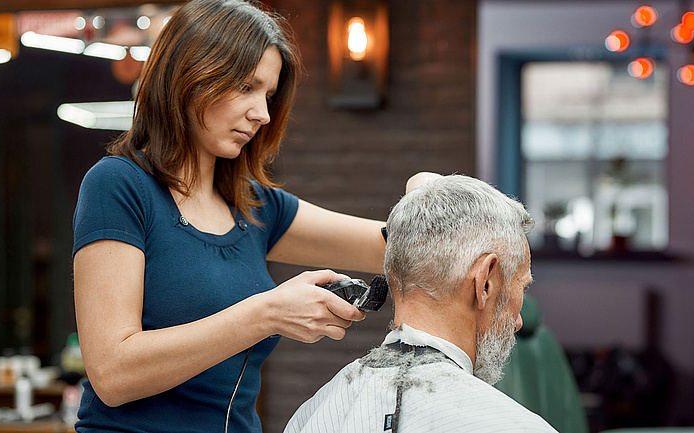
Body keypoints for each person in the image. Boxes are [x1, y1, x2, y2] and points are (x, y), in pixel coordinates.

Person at [71, 1, 395, 431]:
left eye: (269, 95)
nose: (262, 113)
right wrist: (268, 313)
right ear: (188, 76)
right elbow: (113, 373)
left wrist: (431, 192)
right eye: (246, 86)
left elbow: (390, 247)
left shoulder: (256, 207)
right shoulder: (119, 186)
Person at [284, 174, 560, 433]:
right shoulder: (516, 426)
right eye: (521, 287)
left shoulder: (311, 416)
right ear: (485, 282)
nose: (519, 321)